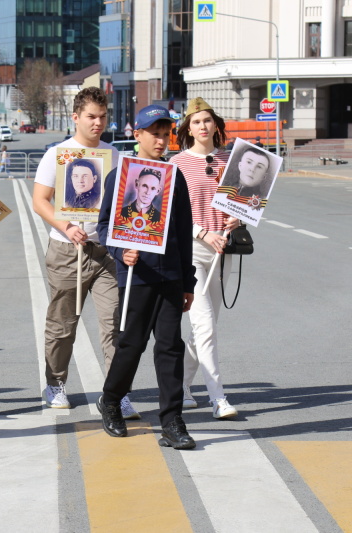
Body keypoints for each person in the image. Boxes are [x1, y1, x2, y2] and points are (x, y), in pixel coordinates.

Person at [96, 104, 197, 449]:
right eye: (154, 133)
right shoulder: (120, 176)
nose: (161, 139)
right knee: (131, 345)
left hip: (169, 275)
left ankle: (172, 421)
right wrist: (119, 253)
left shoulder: (174, 177)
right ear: (136, 134)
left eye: (165, 132)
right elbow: (105, 225)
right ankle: (111, 400)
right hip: (136, 274)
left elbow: (184, 232)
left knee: (170, 347)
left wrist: (188, 281)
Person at [32, 87, 134, 417]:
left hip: (105, 252)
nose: (98, 123)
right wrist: (66, 227)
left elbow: (125, 204)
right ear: (76, 117)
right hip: (66, 250)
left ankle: (117, 392)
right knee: (63, 324)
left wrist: (129, 239)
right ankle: (55, 384)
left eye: (103, 117)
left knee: (113, 324)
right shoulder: (58, 154)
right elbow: (40, 200)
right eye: (91, 116)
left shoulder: (115, 155)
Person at [171, 98, 241, 419]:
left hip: (223, 251)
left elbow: (244, 201)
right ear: (188, 128)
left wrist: (236, 219)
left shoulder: (232, 159)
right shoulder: (178, 163)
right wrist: (202, 233)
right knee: (205, 326)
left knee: (207, 327)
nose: (202, 126)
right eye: (196, 122)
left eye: (207, 121)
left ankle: (182, 387)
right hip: (192, 250)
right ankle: (218, 399)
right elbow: (173, 212)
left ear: (215, 125)